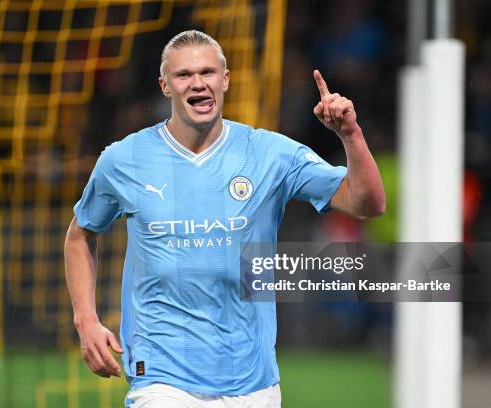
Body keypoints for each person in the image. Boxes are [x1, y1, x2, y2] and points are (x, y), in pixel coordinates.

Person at [64, 30, 385, 407]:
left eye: (207, 72)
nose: (198, 83)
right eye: (184, 75)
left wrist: (350, 134)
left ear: (226, 79)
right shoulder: (125, 159)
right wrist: (86, 319)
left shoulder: (270, 154)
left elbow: (367, 204)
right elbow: (80, 233)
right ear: (165, 86)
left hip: (252, 380)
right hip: (161, 376)